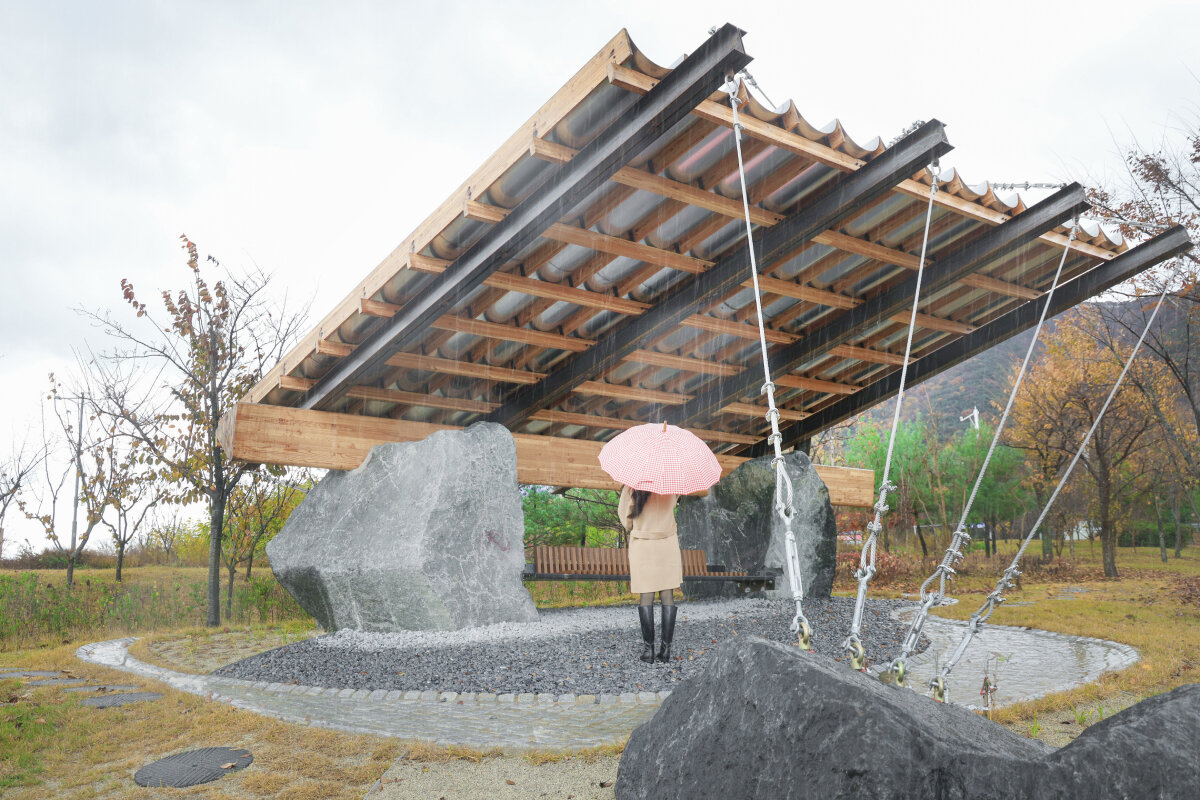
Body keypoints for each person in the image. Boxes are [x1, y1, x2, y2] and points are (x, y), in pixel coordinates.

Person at [618, 484, 682, 664]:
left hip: (643, 544)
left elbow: (626, 520)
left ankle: (649, 651)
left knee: (646, 594)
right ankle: (666, 650)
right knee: (667, 594)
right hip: (667, 542)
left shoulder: (632, 486)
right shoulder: (672, 484)